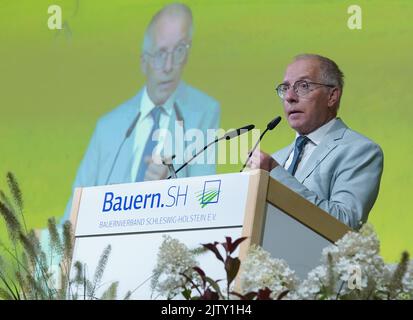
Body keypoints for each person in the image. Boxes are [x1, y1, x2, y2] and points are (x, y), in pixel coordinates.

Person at [62, 3, 220, 221]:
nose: (168, 66)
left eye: (180, 50)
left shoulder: (204, 112)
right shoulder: (108, 126)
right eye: (160, 54)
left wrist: (170, 188)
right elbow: (72, 213)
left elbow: (207, 202)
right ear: (143, 62)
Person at [247, 54, 383, 229]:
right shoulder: (278, 158)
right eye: (285, 88)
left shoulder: (360, 151)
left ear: (332, 96)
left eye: (303, 86)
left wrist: (275, 173)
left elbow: (344, 222)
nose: (289, 97)